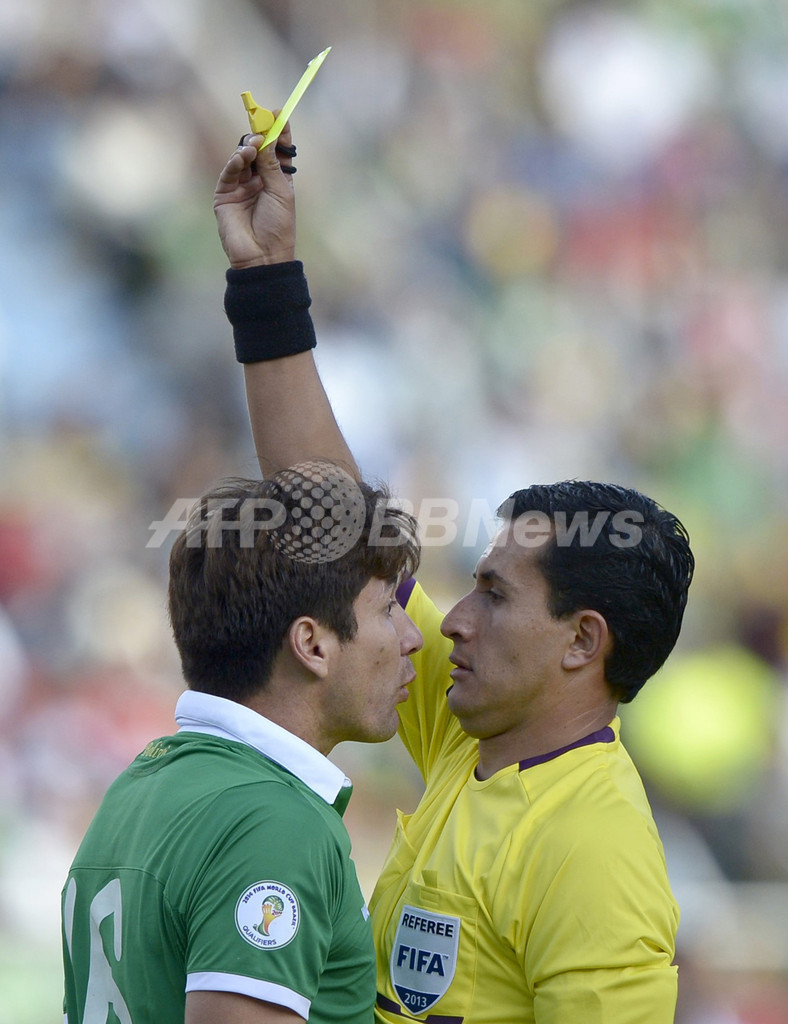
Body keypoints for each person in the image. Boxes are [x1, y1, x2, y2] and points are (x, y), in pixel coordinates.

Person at [214, 132, 695, 1024]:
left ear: (582, 641)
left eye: (497, 595)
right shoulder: (473, 739)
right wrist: (265, 276)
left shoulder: (594, 849)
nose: (453, 620)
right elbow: (329, 516)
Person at [61, 471, 423, 1024]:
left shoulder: (137, 786)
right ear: (312, 644)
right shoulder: (275, 824)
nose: (412, 637)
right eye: (387, 609)